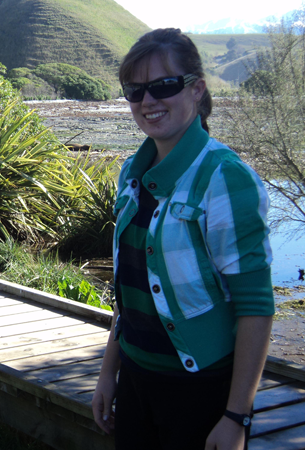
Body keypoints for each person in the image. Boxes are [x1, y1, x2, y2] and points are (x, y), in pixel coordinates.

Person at [91, 28, 274, 450]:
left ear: (197, 90)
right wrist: (108, 373)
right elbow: (131, 293)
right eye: (135, 91)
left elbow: (256, 306)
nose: (148, 101)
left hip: (199, 392)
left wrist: (236, 417)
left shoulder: (224, 178)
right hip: (136, 379)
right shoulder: (131, 174)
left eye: (164, 85)